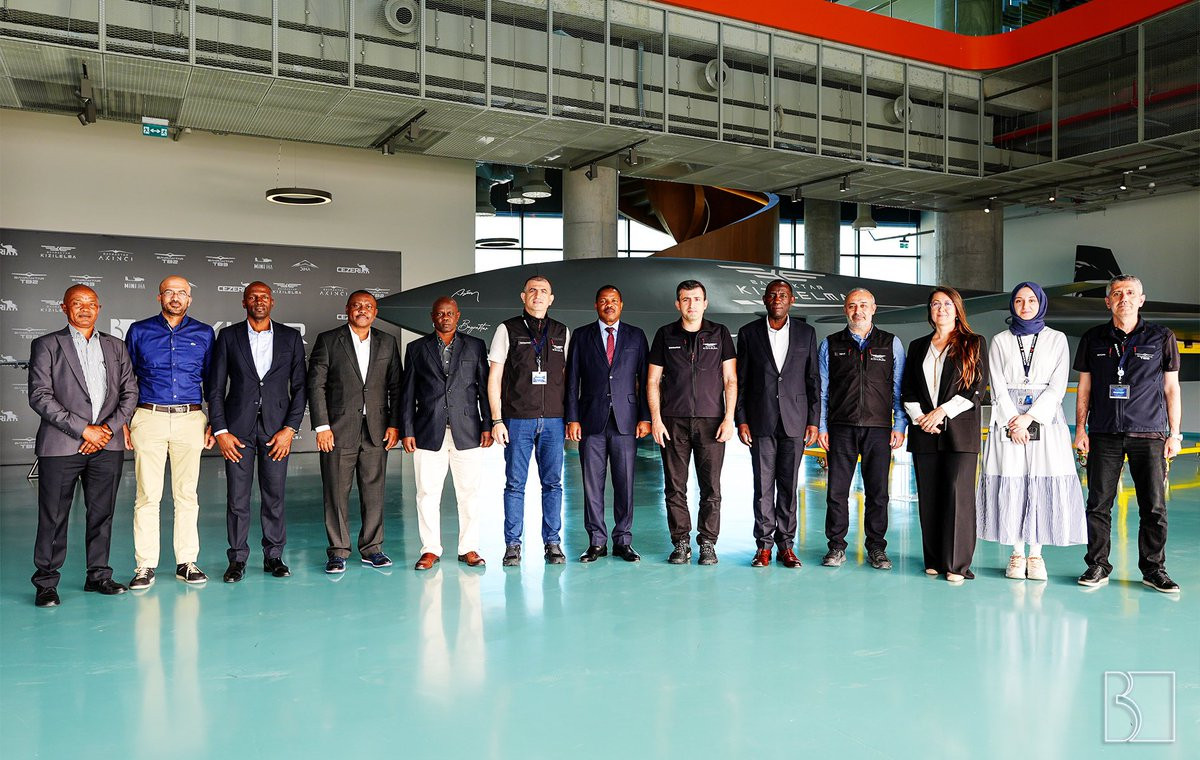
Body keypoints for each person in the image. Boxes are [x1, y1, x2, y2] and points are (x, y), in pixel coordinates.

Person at [28, 285, 138, 606]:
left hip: (107, 444)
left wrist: (105, 430)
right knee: (54, 515)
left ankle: (98, 575)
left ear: (99, 308)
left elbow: (130, 392)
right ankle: (46, 582)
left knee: (102, 513)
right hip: (62, 445)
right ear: (64, 307)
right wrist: (84, 430)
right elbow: (40, 395)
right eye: (78, 303)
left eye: (91, 303)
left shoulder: (116, 346)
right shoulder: (47, 345)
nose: (85, 308)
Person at [1074, 275, 1182, 593]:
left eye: (1131, 293)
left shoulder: (1162, 337)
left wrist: (1174, 434)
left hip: (1148, 433)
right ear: (1108, 301)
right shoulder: (1093, 338)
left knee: (1154, 506)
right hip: (1104, 432)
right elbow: (1084, 388)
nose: (1124, 298)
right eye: (1118, 293)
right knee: (1098, 504)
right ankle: (1097, 565)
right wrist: (1080, 429)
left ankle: (1154, 569)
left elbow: (1171, 389)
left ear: (1141, 300)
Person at [977, 282, 1085, 581]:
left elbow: (1058, 386)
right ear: (1013, 305)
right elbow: (997, 384)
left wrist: (1029, 419)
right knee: (1012, 479)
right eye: (1019, 301)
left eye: (1031, 301)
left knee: (1040, 478)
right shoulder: (1000, 340)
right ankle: (1016, 553)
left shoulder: (1056, 339)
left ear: (1041, 304)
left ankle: (1036, 554)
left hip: (1045, 420)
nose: (1025, 306)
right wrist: (1013, 421)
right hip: (1008, 421)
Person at [206, 282, 307, 583]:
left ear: (272, 302)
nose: (259, 301)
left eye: (264, 297)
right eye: (253, 297)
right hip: (237, 431)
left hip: (277, 430)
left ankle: (274, 555)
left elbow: (300, 387)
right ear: (244, 302)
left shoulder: (290, 337)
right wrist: (221, 429)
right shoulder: (228, 336)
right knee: (237, 498)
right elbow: (215, 388)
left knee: (274, 495)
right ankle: (237, 559)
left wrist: (290, 429)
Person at [124, 275, 215, 589]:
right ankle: (145, 565)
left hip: (190, 419)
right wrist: (123, 422)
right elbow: (125, 379)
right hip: (148, 417)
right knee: (147, 495)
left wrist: (214, 421)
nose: (175, 297)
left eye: (181, 293)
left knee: (187, 495)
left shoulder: (204, 333)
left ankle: (186, 562)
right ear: (159, 297)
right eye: (169, 292)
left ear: (189, 299)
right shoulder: (139, 331)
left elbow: (212, 382)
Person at [308, 290, 403, 574]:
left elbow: (396, 387)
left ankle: (372, 548)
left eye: (368, 306)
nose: (363, 310)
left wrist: (394, 424)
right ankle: (338, 551)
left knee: (374, 492)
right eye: (357, 305)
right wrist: (322, 426)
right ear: (348, 309)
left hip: (377, 429)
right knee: (336, 492)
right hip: (337, 430)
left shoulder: (388, 341)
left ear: (375, 312)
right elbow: (316, 385)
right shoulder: (328, 340)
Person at [816, 287, 907, 571]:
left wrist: (899, 424)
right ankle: (836, 546)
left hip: (879, 428)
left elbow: (899, 389)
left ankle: (876, 547)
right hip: (840, 428)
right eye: (853, 305)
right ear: (845, 309)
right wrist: (822, 426)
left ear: (874, 308)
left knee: (877, 493)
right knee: (836, 492)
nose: (858, 311)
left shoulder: (890, 343)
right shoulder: (830, 344)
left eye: (864, 305)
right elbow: (822, 390)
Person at [648, 279, 737, 565]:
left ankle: (708, 543)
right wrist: (656, 419)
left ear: (705, 303)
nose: (691, 304)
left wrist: (729, 418)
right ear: (678, 304)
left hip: (711, 421)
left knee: (711, 487)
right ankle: (681, 543)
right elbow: (652, 381)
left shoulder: (720, 333)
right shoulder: (665, 334)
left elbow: (730, 379)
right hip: (673, 421)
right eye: (686, 299)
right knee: (675, 487)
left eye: (696, 299)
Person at [901, 287, 987, 584]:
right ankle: (935, 559)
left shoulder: (974, 342)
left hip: (960, 433)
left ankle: (957, 564)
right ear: (930, 310)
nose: (941, 308)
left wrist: (941, 412)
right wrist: (920, 418)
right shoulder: (917, 346)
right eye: (936, 304)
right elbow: (908, 389)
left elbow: (976, 389)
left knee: (958, 496)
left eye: (947, 304)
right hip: (924, 431)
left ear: (957, 309)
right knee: (929, 497)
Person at [402, 296, 492, 570]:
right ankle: (430, 549)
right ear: (432, 317)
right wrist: (407, 429)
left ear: (458, 315)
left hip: (468, 430)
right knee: (427, 493)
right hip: (428, 431)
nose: (445, 317)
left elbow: (484, 389)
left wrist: (487, 424)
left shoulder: (475, 346)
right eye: (440, 313)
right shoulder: (416, 348)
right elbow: (407, 393)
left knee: (469, 493)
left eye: (449, 313)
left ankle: (469, 548)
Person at [735, 279, 819, 568]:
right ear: (764, 300)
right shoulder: (749, 333)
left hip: (796, 421)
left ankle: (786, 546)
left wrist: (813, 421)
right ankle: (764, 546)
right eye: (772, 295)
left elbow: (813, 379)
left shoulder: (807, 333)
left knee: (788, 486)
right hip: (760, 420)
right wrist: (741, 420)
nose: (777, 299)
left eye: (783, 295)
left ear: (791, 300)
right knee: (762, 487)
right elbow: (741, 381)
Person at [488, 275, 571, 567]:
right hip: (517, 420)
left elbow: (568, 379)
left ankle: (553, 543)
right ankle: (513, 545)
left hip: (554, 421)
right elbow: (495, 377)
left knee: (553, 484)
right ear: (523, 297)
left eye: (543, 291)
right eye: (532, 290)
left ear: (551, 299)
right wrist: (496, 420)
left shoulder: (562, 331)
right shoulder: (507, 329)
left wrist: (570, 418)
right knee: (515, 484)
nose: (538, 295)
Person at [565, 285, 651, 563]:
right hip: (591, 420)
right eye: (603, 301)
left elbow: (645, 380)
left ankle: (623, 540)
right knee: (592, 484)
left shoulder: (636, 336)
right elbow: (572, 380)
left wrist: (645, 417)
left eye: (613, 300)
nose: (609, 305)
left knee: (625, 483)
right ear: (596, 305)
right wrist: (572, 418)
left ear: (621, 305)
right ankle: (597, 542)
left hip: (626, 420)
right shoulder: (581, 336)